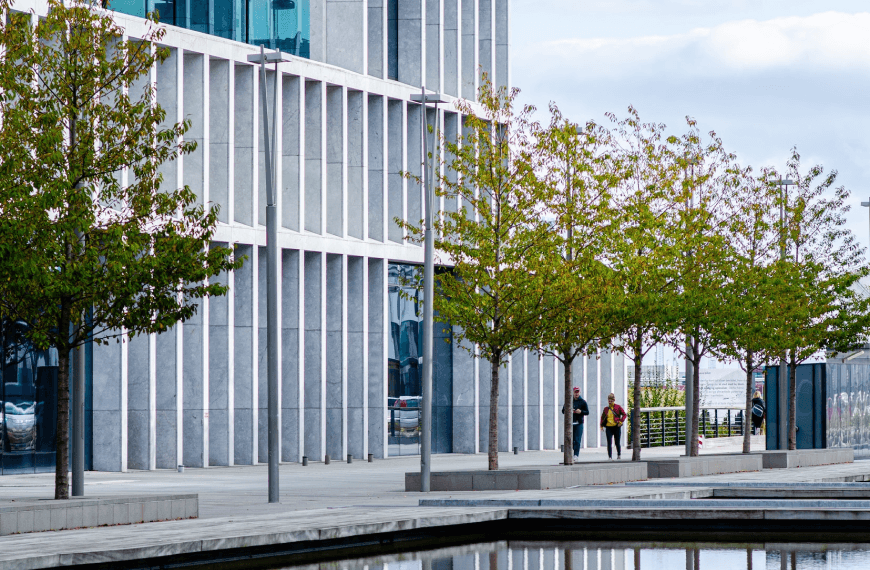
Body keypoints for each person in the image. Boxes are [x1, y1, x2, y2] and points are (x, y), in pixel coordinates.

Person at [561, 387, 589, 459]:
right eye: (575, 392)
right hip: (570, 423)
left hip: (579, 423)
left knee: (577, 440)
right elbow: (563, 411)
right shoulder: (569, 401)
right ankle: (572, 451)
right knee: (571, 440)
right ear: (573, 393)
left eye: (577, 392)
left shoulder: (583, 402)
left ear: (579, 393)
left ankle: (576, 454)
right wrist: (569, 410)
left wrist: (581, 411)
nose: (576, 393)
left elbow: (587, 412)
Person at [600, 393, 627, 460]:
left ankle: (619, 454)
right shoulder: (606, 409)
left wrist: (621, 421)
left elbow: (624, 415)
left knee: (617, 442)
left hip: (616, 426)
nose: (610, 402)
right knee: (609, 442)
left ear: (614, 400)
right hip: (608, 427)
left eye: (611, 400)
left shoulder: (618, 407)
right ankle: (610, 456)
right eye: (609, 400)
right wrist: (601, 425)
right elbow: (602, 417)